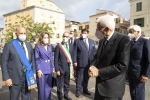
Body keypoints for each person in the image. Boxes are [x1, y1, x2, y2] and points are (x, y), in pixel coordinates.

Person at [89, 15, 130, 100]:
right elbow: (97, 58)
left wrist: (99, 72)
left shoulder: (123, 39)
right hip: (99, 87)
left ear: (107, 29)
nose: (97, 32)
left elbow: (122, 65)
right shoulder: (101, 41)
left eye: (98, 30)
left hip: (112, 90)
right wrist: (93, 66)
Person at [1, 27, 36, 100]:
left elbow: (32, 59)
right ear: (16, 34)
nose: (23, 35)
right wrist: (6, 78)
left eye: (24, 33)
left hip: (28, 76)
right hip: (14, 77)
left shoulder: (29, 45)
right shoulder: (9, 45)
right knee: (14, 98)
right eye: (21, 33)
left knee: (27, 97)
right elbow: (4, 62)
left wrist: (34, 72)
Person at [127, 25, 150, 100]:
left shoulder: (145, 41)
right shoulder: (130, 43)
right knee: (133, 93)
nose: (130, 34)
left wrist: (146, 74)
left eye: (131, 32)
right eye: (129, 32)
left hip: (140, 73)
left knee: (139, 93)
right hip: (130, 72)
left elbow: (149, 59)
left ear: (138, 32)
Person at [73, 28, 96, 97]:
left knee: (86, 77)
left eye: (85, 33)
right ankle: (78, 91)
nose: (84, 34)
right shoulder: (77, 41)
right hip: (81, 62)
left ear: (88, 34)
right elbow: (74, 52)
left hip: (89, 63)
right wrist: (75, 61)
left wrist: (94, 62)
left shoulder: (91, 41)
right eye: (83, 33)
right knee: (80, 77)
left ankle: (85, 90)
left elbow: (94, 52)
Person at [35, 32, 54, 100]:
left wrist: (53, 67)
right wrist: (38, 69)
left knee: (48, 88)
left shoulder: (50, 46)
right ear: (41, 38)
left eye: (47, 37)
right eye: (44, 37)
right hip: (42, 70)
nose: (46, 39)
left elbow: (51, 57)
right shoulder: (38, 46)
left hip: (49, 69)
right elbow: (37, 59)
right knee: (42, 89)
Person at [54, 32, 73, 100]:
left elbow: (71, 57)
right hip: (60, 68)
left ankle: (66, 95)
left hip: (68, 68)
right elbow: (55, 59)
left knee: (67, 83)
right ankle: (60, 97)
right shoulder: (59, 46)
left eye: (66, 37)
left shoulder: (71, 46)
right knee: (59, 84)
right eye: (64, 36)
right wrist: (57, 69)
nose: (65, 38)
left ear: (69, 38)